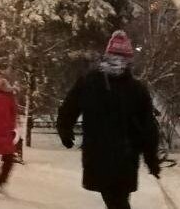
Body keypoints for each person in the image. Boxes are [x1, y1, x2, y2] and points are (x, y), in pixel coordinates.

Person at [57, 30, 161, 209]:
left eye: (121, 58)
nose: (117, 63)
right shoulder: (92, 82)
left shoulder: (135, 89)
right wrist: (64, 128)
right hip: (105, 153)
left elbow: (148, 127)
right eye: (115, 57)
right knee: (117, 200)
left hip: (120, 155)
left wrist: (151, 158)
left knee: (117, 200)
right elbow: (69, 108)